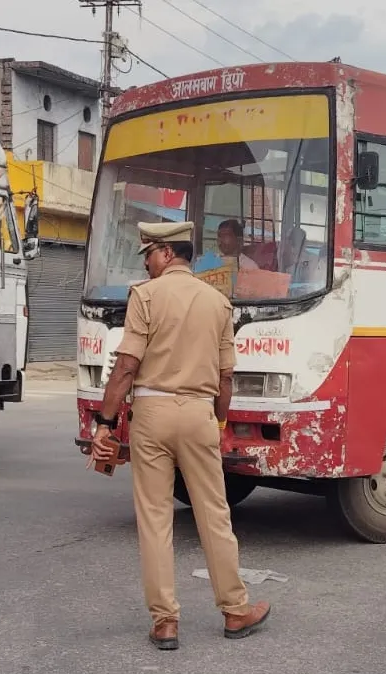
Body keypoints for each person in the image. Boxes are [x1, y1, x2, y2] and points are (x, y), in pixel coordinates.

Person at [89, 221, 271, 650]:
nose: (147, 262)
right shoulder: (217, 302)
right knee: (214, 514)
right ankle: (234, 610)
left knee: (155, 519)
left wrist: (105, 422)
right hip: (198, 413)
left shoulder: (145, 296)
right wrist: (220, 424)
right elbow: (227, 378)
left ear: (167, 253)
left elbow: (126, 367)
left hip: (151, 412)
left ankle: (165, 622)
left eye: (149, 253)